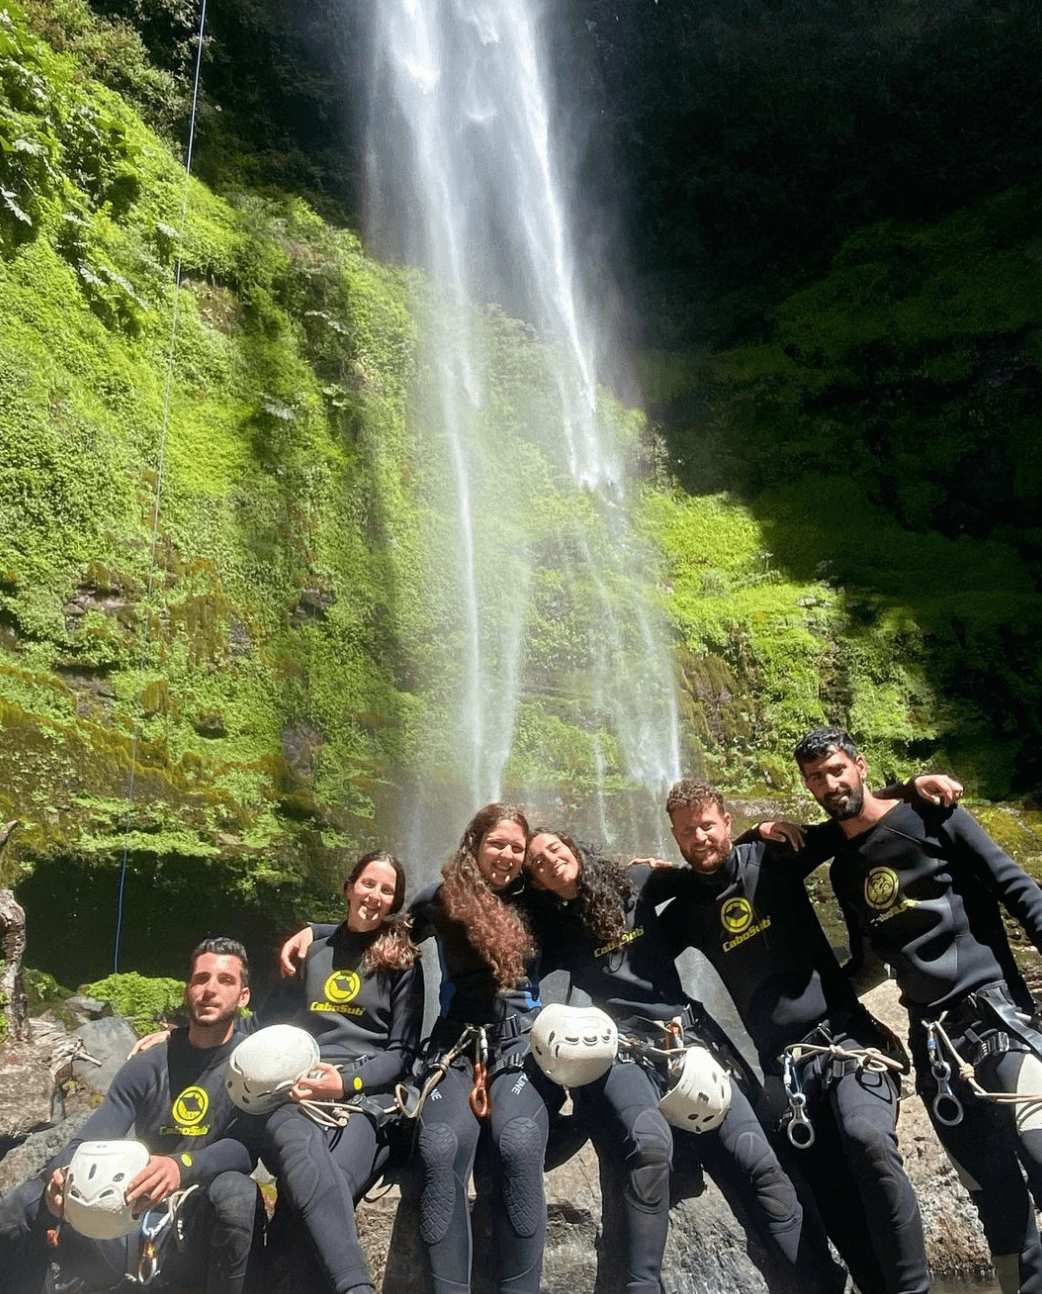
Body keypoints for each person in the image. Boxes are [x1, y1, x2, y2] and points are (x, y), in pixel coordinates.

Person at [524, 828, 846, 1294]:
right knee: (649, 1149)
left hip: (685, 1039)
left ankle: (822, 1285)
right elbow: (510, 971)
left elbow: (710, 870)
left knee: (760, 1164)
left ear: (572, 848)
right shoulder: (551, 927)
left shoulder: (633, 880)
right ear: (535, 881)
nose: (551, 860)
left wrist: (756, 834)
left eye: (555, 849)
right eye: (538, 863)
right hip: (622, 1052)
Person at [649, 778, 939, 1294]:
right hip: (782, 1073)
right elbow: (632, 959)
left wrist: (912, 786)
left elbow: (850, 817)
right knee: (829, 1198)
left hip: (844, 1041)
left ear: (726, 823)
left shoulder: (773, 857)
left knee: (866, 1138)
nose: (700, 837)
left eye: (708, 826)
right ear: (674, 836)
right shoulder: (686, 909)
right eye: (687, 831)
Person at [793, 725, 1042, 1294]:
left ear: (859, 764)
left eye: (836, 770)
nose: (829, 784)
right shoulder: (842, 868)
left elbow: (1020, 891)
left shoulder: (935, 818)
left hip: (995, 1019)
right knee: (995, 1201)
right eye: (815, 778)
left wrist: (908, 787)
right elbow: (865, 963)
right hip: (934, 1050)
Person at [280, 804, 559, 1294]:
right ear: (474, 844)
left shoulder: (539, 898)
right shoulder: (442, 899)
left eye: (518, 847)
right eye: (498, 843)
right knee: (438, 1147)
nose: (509, 854)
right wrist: (317, 932)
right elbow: (376, 925)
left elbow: (597, 904)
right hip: (455, 1045)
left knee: (517, 1142)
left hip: (518, 1041)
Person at [0, 937, 265, 1294]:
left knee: (237, 1191)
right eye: (200, 979)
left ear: (244, 996)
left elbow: (247, 1148)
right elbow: (85, 1140)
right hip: (125, 1222)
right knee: (26, 1201)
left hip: (197, 1229)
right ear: (188, 989)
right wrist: (61, 1177)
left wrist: (179, 1166)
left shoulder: (251, 1066)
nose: (209, 990)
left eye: (225, 981)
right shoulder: (149, 1064)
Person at [256, 849, 424, 1294]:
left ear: (394, 903)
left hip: (367, 1097)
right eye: (368, 884)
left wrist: (345, 1083)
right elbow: (269, 1023)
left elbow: (402, 1052)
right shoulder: (314, 951)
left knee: (323, 1186)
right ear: (348, 888)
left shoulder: (402, 962)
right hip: (302, 1092)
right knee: (312, 1183)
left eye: (387, 890)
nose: (375, 895)